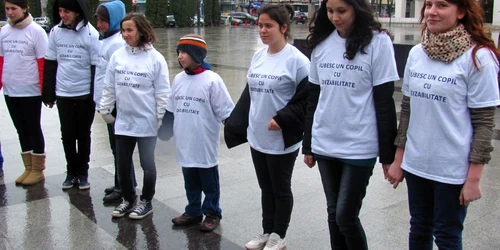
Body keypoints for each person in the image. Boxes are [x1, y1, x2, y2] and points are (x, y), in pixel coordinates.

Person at [387, 0, 500, 249]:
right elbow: (407, 111)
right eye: (428, 4)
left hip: (452, 169)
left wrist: (474, 178)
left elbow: (484, 123)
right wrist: (398, 159)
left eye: (442, 5)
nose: (431, 11)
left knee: (447, 235)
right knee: (419, 228)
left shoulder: (479, 57)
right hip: (417, 164)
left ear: (461, 11)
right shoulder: (417, 53)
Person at [303, 0, 400, 249]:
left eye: (342, 11)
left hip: (360, 144)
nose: (335, 17)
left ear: (357, 8)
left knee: (345, 215)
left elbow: (384, 102)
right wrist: (309, 144)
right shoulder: (321, 43)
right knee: (333, 213)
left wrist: (388, 155)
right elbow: (314, 98)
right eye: (330, 11)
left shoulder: (378, 43)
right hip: (325, 142)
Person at [224, 4, 310, 250]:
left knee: (280, 188)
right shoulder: (259, 56)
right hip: (257, 136)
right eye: (260, 25)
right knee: (265, 188)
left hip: (282, 139)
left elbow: (309, 100)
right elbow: (250, 93)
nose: (262, 30)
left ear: (284, 28)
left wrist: (283, 118)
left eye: (268, 26)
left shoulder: (298, 61)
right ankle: (266, 230)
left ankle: (278, 235)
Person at [100, 13, 170, 220]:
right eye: (123, 30)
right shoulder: (118, 56)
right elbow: (109, 85)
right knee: (122, 165)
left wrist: (160, 119)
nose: (125, 34)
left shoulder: (155, 58)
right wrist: (105, 109)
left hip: (147, 122)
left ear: (141, 30)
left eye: (129, 30)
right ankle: (129, 199)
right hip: (123, 122)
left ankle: (146, 201)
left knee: (147, 165)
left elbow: (163, 92)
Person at [168, 34, 234, 232]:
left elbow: (225, 110)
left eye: (184, 52)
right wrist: (165, 127)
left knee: (209, 182)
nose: (180, 56)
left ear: (196, 54)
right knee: (190, 180)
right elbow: (172, 107)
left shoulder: (212, 80)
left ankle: (212, 213)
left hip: (203, 142)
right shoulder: (178, 79)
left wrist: (235, 128)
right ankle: (193, 211)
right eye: (178, 52)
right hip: (184, 142)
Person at [42, 0, 100, 190]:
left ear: (76, 12)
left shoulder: (91, 33)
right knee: (67, 135)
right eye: (60, 11)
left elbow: (96, 68)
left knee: (83, 134)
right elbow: (50, 63)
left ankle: (83, 172)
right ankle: (71, 171)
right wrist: (48, 94)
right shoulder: (55, 32)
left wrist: (95, 96)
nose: (62, 15)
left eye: (66, 11)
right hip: (63, 92)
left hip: (84, 93)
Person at [93, 0, 137, 203]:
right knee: (115, 147)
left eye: (104, 20)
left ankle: (124, 185)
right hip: (108, 103)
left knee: (120, 148)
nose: (100, 24)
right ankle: (121, 181)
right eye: (98, 20)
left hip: (117, 104)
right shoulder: (106, 40)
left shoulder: (118, 43)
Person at [0, 0, 48, 185]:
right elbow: (1, 60)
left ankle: (37, 169)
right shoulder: (4, 32)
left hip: (30, 89)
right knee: (21, 130)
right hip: (11, 90)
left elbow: (43, 62)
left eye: (14, 9)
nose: (10, 13)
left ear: (24, 8)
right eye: (7, 9)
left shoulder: (36, 31)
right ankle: (27, 167)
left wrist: (45, 91)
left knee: (33, 128)